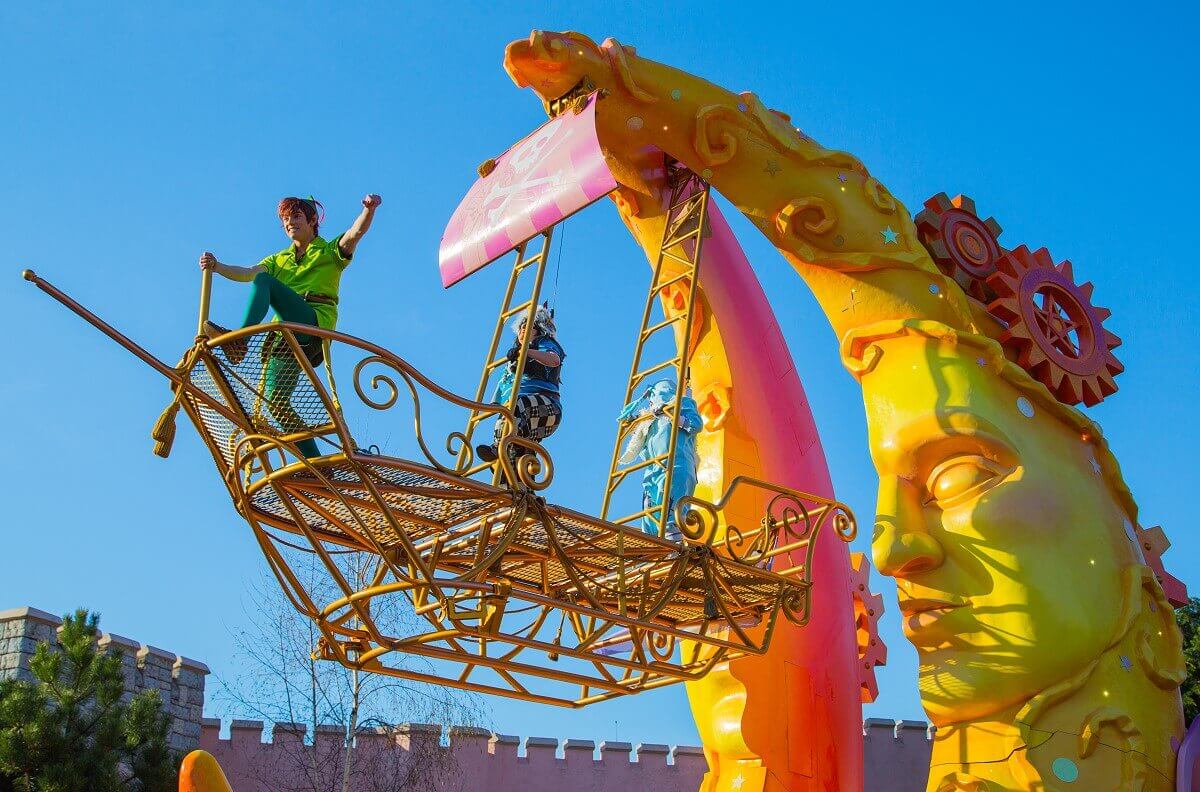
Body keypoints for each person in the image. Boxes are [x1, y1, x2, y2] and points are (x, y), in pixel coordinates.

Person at [199, 194, 382, 457]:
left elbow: (355, 233)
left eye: (295, 217)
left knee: (265, 283)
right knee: (276, 402)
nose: (289, 223)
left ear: (312, 221)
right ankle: (315, 462)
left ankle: (239, 341)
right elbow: (247, 272)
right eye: (285, 220)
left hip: (311, 322)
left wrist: (369, 209)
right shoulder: (279, 260)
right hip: (283, 338)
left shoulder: (329, 251)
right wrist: (217, 266)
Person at [477, 305, 565, 464]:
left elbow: (554, 360)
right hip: (522, 416)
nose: (523, 330)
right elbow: (503, 386)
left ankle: (500, 448)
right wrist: (493, 407)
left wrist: (526, 352)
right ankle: (511, 477)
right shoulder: (513, 361)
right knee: (513, 454)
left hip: (548, 407)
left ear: (538, 330)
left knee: (517, 407)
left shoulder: (542, 343)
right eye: (521, 328)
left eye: (529, 326)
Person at [617, 379, 703, 541]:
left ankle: (672, 543)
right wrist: (632, 418)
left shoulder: (681, 403)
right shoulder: (649, 417)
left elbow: (696, 424)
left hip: (677, 464)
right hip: (654, 468)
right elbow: (631, 427)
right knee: (650, 509)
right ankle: (650, 543)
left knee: (671, 508)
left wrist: (673, 415)